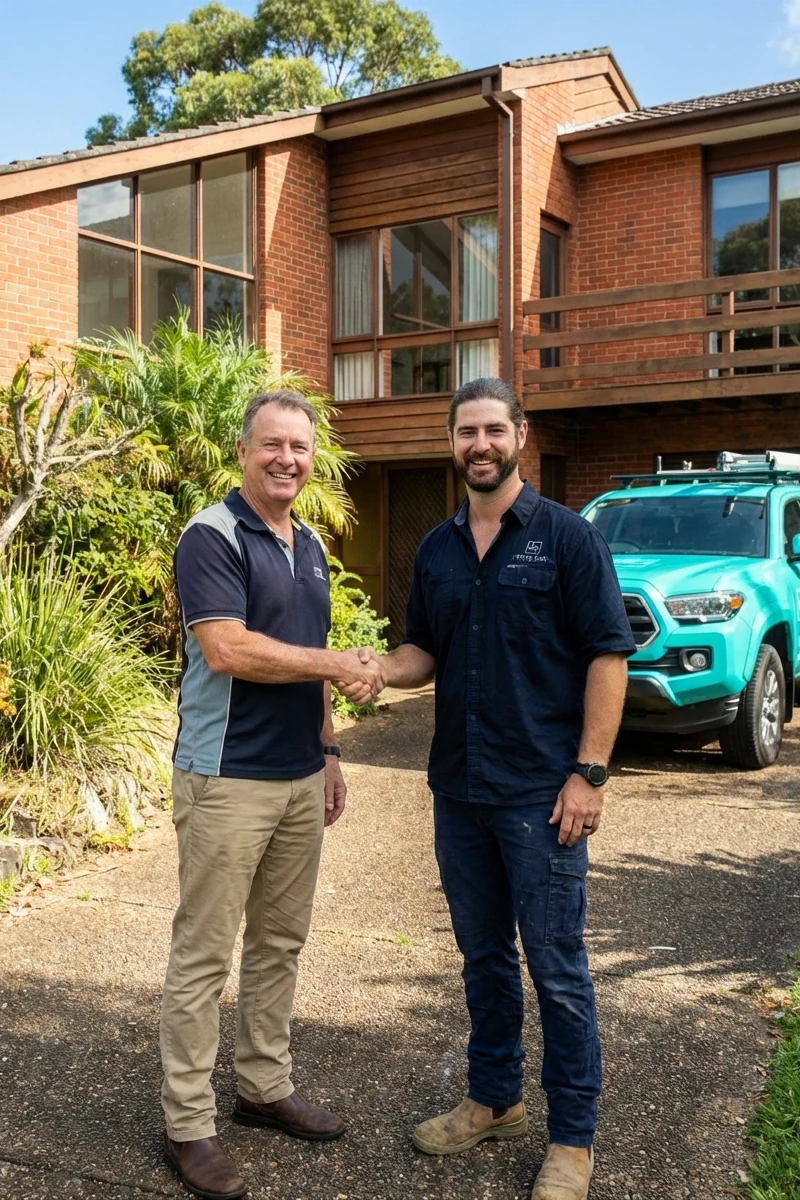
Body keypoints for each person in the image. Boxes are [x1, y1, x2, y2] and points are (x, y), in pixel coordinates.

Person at [346, 378, 636, 1200]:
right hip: (460, 791)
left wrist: (590, 774)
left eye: (493, 430)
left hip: (542, 795)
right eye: (466, 431)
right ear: (451, 441)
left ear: (519, 436)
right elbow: (422, 652)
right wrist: (375, 669)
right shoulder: (437, 549)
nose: (480, 445)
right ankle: (495, 1097)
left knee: (557, 968)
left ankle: (572, 1140)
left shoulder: (568, 539)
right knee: (482, 958)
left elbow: (608, 655)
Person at [160, 390, 383, 1200]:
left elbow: (307, 653)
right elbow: (228, 649)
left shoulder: (311, 544)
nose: (287, 459)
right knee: (203, 955)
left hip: (297, 775)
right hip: (225, 778)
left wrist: (329, 749)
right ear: (244, 452)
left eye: (299, 446)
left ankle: (262, 1087)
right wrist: (339, 665)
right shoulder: (211, 536)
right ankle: (187, 1125)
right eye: (272, 445)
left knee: (279, 943)